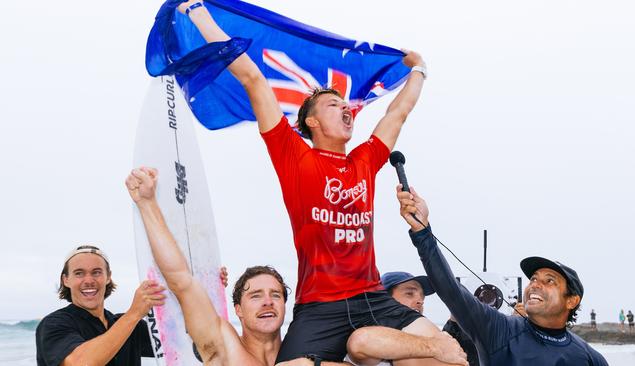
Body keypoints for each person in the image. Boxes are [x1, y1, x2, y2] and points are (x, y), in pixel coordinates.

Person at [176, 2, 465, 365]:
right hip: (319, 306)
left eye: (346, 105)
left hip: (371, 297)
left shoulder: (364, 159)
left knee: (445, 356)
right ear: (311, 122)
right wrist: (200, 13)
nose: (345, 109)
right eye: (333, 104)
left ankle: (428, 348)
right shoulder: (293, 155)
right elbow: (252, 77)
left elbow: (398, 113)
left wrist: (419, 68)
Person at [127, 167, 466, 366]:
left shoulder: (310, 348)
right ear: (238, 310)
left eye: (275, 294)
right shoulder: (223, 345)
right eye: (255, 295)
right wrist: (147, 204)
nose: (267, 301)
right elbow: (181, 280)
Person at [397, 186, 609, 365]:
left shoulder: (591, 358)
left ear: (571, 300)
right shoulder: (499, 329)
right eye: (533, 279)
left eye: (549, 281)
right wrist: (422, 232)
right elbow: (450, 289)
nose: (535, 284)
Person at [35, 245, 166, 366]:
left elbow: (177, 343)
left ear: (108, 277)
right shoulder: (53, 324)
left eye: (96, 272)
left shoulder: (131, 326)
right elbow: (80, 363)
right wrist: (134, 313)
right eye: (79, 273)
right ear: (66, 280)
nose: (89, 281)